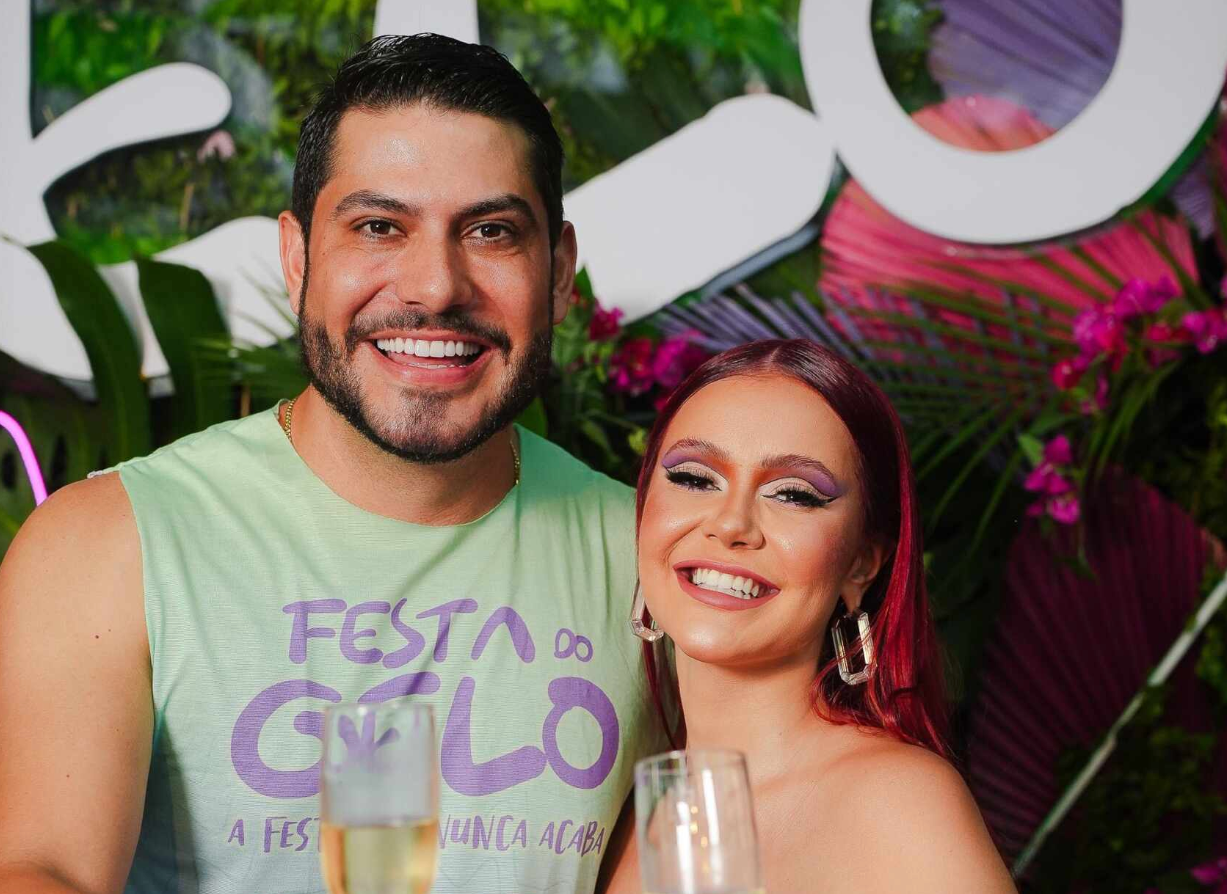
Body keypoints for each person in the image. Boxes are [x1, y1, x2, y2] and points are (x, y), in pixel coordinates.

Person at [0, 34, 658, 894]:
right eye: (379, 227)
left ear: (560, 272)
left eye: (491, 231)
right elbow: (41, 867)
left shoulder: (658, 562)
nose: (435, 286)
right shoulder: (107, 544)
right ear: (298, 256)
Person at [600, 340, 1017, 893]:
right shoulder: (619, 812)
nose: (731, 523)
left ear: (861, 564)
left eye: (793, 494)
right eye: (695, 479)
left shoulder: (898, 806)